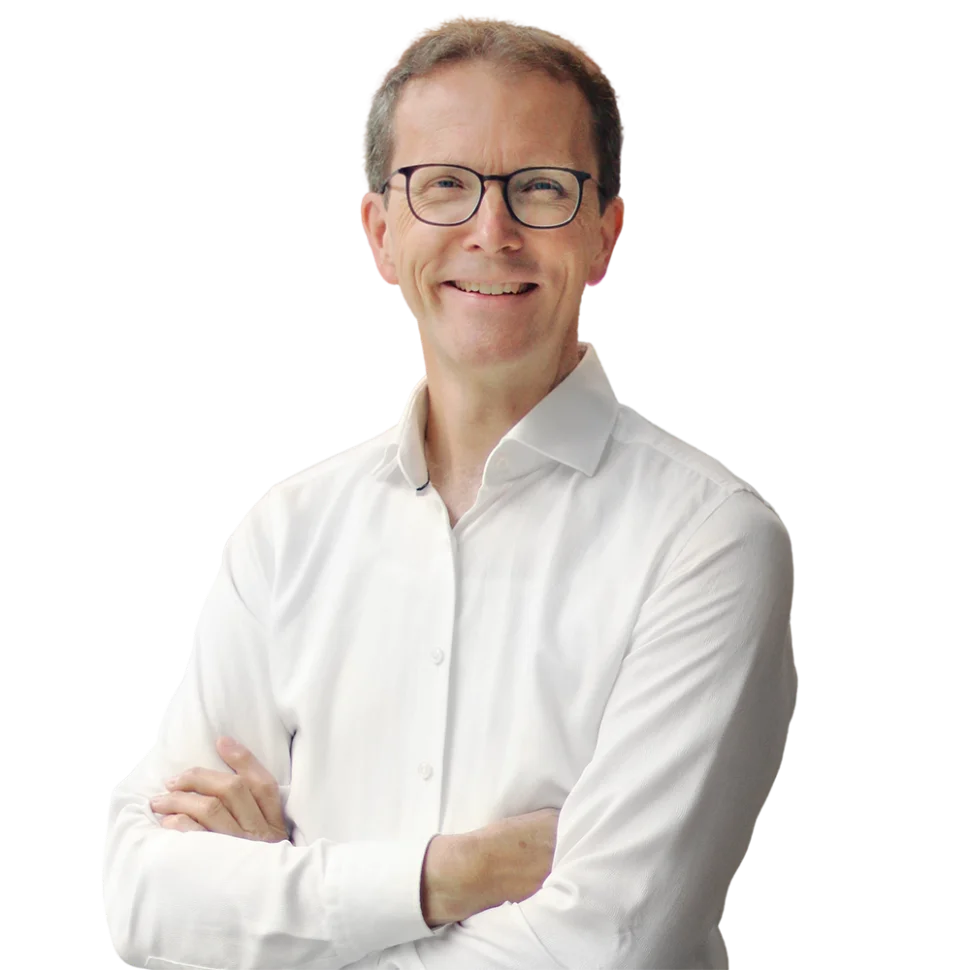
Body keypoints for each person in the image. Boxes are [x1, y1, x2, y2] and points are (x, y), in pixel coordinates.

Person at [102, 14, 795, 970]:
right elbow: (142, 902)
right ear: (379, 234)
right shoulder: (283, 532)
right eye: (444, 186)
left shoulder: (712, 541)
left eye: (541, 188)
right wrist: (455, 874)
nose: (491, 232)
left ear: (605, 236)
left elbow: (605, 950)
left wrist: (274, 911)